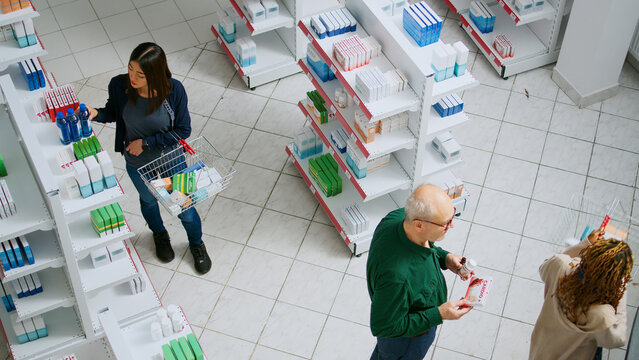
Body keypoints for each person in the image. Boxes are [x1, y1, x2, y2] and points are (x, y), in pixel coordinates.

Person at [85, 42, 212, 274]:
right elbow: (112, 112)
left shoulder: (173, 90)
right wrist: (95, 113)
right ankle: (160, 235)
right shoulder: (119, 85)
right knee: (148, 201)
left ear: (154, 74)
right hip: (137, 163)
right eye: (130, 69)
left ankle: (196, 244)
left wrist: (145, 143)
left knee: (185, 206)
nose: (132, 77)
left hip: (171, 159)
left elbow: (183, 130)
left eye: (140, 74)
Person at [366, 184, 473, 360]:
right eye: (445, 223)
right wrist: (440, 314)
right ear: (419, 224)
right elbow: (383, 326)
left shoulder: (398, 218)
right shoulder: (396, 278)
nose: (451, 225)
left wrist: (444, 258)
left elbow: (425, 245)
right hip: (405, 341)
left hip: (410, 320)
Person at [529, 228, 633, 359]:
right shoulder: (602, 315)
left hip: (540, 351)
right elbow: (617, 338)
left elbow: (545, 267)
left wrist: (584, 245)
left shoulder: (560, 267)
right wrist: (621, 290)